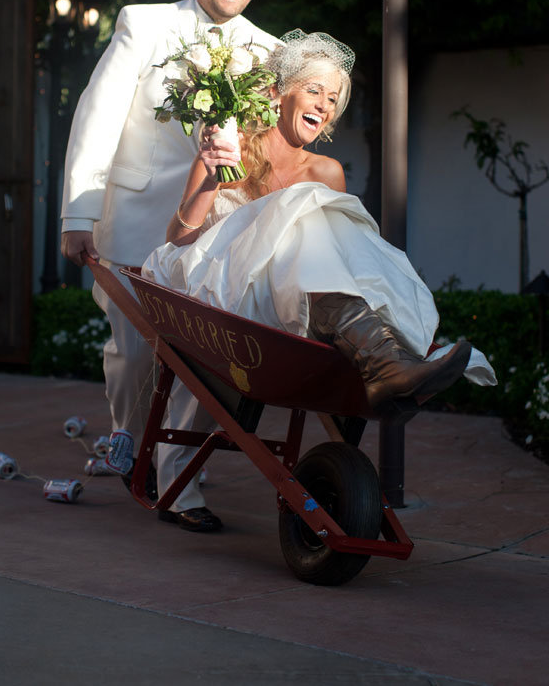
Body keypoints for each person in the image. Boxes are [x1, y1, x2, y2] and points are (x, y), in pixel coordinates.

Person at [142, 30, 496, 530]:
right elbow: (179, 237)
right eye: (314, 91)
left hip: (294, 302)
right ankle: (393, 358)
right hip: (225, 286)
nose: (324, 106)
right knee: (302, 210)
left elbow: (345, 257)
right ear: (280, 92)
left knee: (322, 218)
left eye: (333, 99)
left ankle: (385, 357)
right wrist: (209, 175)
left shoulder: (327, 171)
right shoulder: (233, 141)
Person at [60, 0, 280, 508]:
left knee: (201, 354)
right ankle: (128, 437)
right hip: (134, 219)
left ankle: (175, 468)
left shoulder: (270, 52)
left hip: (217, 231)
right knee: (134, 352)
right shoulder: (144, 23)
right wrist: (77, 216)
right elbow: (96, 118)